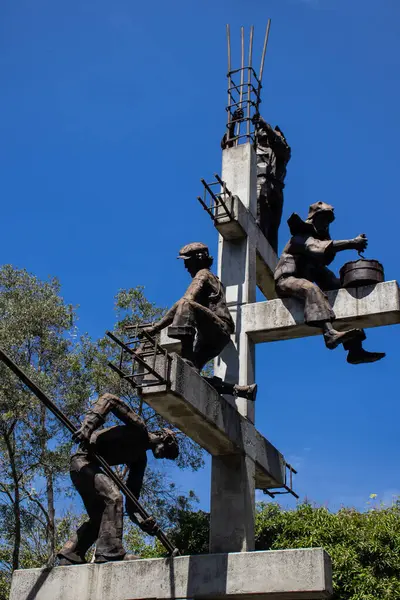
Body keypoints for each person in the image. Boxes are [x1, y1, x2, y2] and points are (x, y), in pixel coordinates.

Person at [57, 393, 179, 566]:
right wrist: (87, 427)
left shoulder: (139, 461)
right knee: (114, 498)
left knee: (101, 518)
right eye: (169, 452)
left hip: (87, 468)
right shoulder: (139, 428)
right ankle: (109, 554)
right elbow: (109, 399)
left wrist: (142, 522)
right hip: (82, 461)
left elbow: (132, 504)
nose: (165, 457)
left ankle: (71, 554)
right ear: (165, 438)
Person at [274, 201, 385, 364]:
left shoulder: (316, 243)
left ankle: (355, 349)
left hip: (309, 272)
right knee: (310, 288)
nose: (325, 224)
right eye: (323, 219)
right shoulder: (300, 238)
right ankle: (329, 334)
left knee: (338, 288)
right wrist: (352, 243)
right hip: (286, 280)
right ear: (314, 219)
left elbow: (324, 257)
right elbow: (317, 248)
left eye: (328, 221)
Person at [142, 242, 235, 373]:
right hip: (212, 335)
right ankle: (233, 389)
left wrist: (156, 327)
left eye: (188, 261)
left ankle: (187, 356)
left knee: (186, 304)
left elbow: (186, 300)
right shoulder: (213, 278)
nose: (185, 266)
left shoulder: (203, 274)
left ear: (199, 258)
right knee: (191, 370)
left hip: (219, 329)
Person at [252, 114, 291, 253]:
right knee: (260, 219)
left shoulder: (281, 151)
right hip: (261, 183)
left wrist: (265, 124)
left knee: (273, 227)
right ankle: (257, 248)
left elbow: (280, 146)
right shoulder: (253, 150)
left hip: (277, 188)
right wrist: (232, 125)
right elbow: (229, 147)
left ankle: (271, 257)